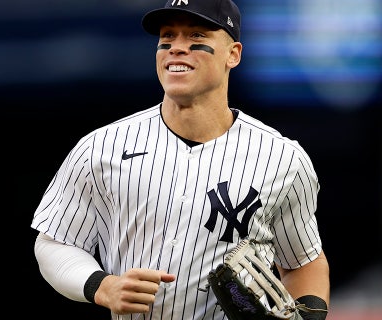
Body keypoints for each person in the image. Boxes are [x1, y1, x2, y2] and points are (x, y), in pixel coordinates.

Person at [31, 0, 330, 319]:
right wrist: (102, 286)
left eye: (196, 37)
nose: (176, 48)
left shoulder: (282, 159)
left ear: (233, 54)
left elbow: (304, 262)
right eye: (168, 38)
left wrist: (310, 316)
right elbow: (55, 243)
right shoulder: (102, 147)